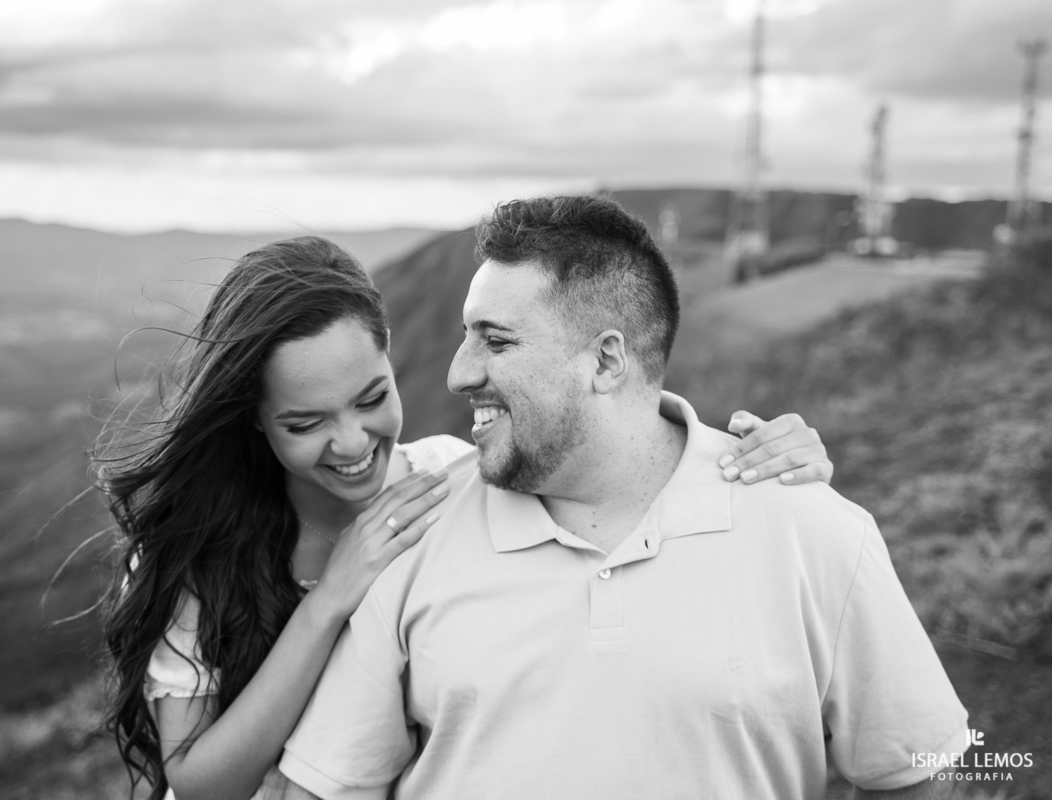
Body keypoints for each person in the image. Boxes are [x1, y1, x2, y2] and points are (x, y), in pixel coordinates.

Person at [95, 235, 835, 800]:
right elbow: (194, 783)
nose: (352, 443)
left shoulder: (454, 479)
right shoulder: (195, 553)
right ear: (254, 422)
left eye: (371, 397)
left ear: (393, 361)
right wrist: (328, 603)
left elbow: (608, 481)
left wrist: (754, 461)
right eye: (304, 423)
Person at [277, 198, 969, 800]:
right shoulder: (413, 530)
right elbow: (329, 786)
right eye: (465, 335)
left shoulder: (815, 530)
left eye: (495, 340)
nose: (460, 372)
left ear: (606, 361)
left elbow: (916, 768)